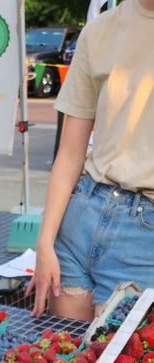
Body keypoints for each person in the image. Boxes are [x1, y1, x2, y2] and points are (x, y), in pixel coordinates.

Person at [29, 0, 154, 321]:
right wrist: (44, 243)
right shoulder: (100, 30)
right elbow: (70, 152)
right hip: (81, 215)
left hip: (144, 239)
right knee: (66, 362)